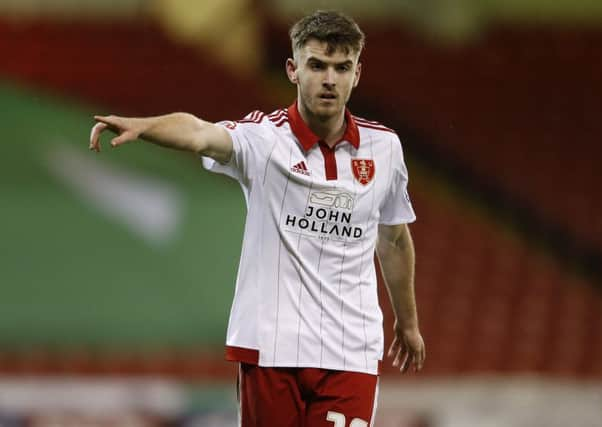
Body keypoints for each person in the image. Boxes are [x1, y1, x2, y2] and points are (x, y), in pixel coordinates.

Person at [89, 10, 425, 427]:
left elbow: (393, 239)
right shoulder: (264, 139)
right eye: (317, 65)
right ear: (293, 70)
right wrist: (145, 126)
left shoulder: (385, 148)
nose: (329, 79)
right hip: (271, 346)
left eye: (342, 68)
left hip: (350, 350)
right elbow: (199, 132)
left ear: (357, 74)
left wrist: (407, 324)